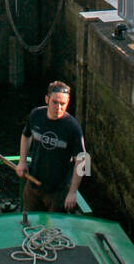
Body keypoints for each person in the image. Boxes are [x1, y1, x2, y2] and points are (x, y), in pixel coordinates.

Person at [16, 82, 86, 213]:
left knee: (53, 231)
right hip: (33, 185)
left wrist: (73, 191)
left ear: (68, 102)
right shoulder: (36, 115)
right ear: (47, 99)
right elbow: (26, 135)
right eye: (54, 102)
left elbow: (83, 160)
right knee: (30, 224)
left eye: (62, 104)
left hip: (57, 192)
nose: (58, 108)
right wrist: (22, 161)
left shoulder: (73, 128)